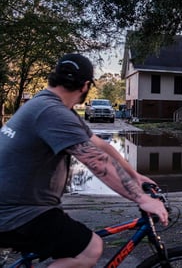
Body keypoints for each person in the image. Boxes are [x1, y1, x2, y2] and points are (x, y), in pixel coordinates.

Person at [0, 54, 168, 268]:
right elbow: (97, 162)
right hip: (16, 214)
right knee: (91, 248)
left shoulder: (48, 105)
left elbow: (100, 146)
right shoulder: (53, 113)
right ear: (86, 85)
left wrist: (134, 175)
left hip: (22, 206)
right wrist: (142, 199)